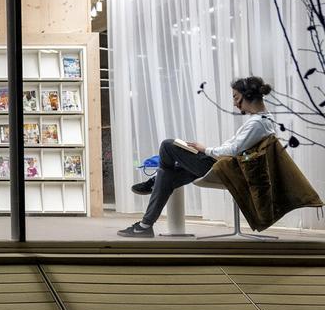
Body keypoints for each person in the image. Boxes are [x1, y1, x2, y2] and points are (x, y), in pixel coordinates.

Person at [118, 76, 276, 238]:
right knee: (167, 176)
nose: (234, 103)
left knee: (167, 145)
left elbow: (232, 150)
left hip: (225, 168)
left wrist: (204, 149)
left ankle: (154, 187)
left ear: (248, 95)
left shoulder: (257, 123)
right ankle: (145, 225)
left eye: (236, 97)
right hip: (227, 166)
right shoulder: (265, 119)